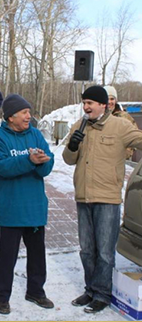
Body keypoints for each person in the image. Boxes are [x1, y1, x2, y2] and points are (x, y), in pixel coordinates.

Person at [62, 85, 142, 314]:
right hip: (83, 196)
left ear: (103, 105)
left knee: (105, 251)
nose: (86, 107)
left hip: (107, 198)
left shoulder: (120, 126)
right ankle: (90, 289)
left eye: (90, 103)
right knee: (87, 249)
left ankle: (103, 294)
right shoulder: (80, 125)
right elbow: (68, 159)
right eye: (84, 103)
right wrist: (73, 145)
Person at [0, 94, 54, 315]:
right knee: (7, 257)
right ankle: (1, 297)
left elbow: (48, 165)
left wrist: (44, 160)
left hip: (35, 208)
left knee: (38, 255)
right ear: (11, 116)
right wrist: (29, 160)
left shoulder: (35, 134)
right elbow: (3, 168)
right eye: (25, 112)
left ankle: (36, 291)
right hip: (11, 209)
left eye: (29, 112)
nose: (29, 116)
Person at [104, 85, 138, 159]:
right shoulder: (97, 117)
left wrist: (126, 152)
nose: (109, 102)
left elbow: (135, 138)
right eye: (107, 99)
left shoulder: (124, 117)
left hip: (118, 160)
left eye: (112, 99)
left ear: (116, 100)